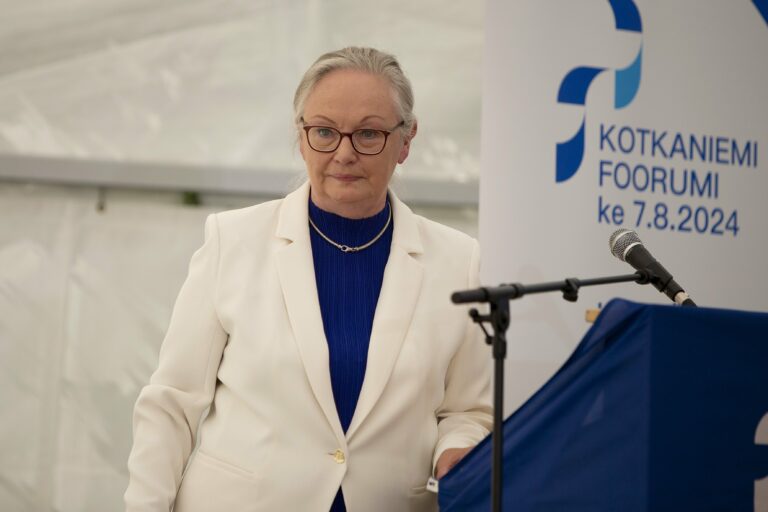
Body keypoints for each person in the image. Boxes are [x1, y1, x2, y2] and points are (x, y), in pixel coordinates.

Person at [125, 46, 491, 512]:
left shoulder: (458, 261)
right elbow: (172, 404)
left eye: (369, 134)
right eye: (324, 132)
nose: (344, 153)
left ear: (406, 140)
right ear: (300, 136)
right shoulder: (232, 241)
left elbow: (467, 410)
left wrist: (456, 449)